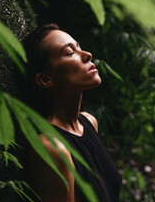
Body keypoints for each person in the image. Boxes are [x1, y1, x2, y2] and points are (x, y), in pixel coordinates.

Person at [22, 24, 121, 202]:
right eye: (69, 52)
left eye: (79, 47)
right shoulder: (53, 148)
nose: (87, 55)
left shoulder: (90, 123)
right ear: (46, 79)